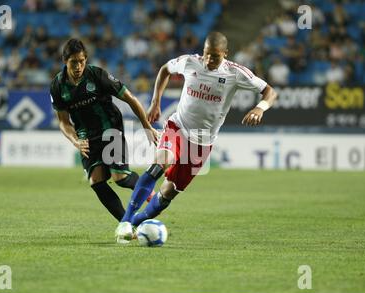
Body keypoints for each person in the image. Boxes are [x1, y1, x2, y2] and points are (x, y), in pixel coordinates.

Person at [115, 31, 278, 242]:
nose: (209, 60)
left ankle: (134, 224)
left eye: (215, 56)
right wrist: (156, 101)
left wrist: (260, 108)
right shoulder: (189, 62)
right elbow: (165, 69)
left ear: (225, 54)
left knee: (167, 193)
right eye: (207, 54)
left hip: (202, 141)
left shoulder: (235, 73)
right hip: (178, 126)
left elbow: (270, 92)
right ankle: (125, 222)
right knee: (159, 164)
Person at [50, 39, 159, 227]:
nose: (78, 66)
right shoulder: (57, 86)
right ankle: (127, 223)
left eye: (82, 61)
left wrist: (146, 126)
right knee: (96, 181)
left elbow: (130, 99)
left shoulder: (97, 75)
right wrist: (75, 140)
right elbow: (63, 122)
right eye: (74, 62)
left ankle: (148, 192)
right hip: (85, 135)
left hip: (110, 127)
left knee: (121, 178)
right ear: (65, 61)